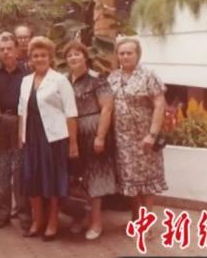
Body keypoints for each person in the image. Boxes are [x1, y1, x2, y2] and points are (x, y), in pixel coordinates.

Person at [18, 37, 78, 241]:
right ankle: (38, 220)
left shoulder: (60, 80)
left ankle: (53, 222)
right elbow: (21, 112)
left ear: (50, 57)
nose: (39, 59)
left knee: (53, 180)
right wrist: (20, 138)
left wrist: (73, 143)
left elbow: (71, 112)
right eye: (35, 55)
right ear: (30, 59)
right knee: (32, 179)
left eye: (43, 55)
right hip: (31, 137)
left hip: (54, 138)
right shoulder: (26, 81)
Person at [108, 37, 167, 222]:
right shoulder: (112, 77)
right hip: (122, 139)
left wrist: (152, 134)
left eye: (129, 53)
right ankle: (136, 217)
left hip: (144, 137)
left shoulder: (148, 76)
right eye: (121, 53)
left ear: (137, 55)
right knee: (130, 180)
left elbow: (160, 104)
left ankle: (146, 221)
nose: (125, 56)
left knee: (147, 181)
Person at [64, 41, 116, 240]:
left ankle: (96, 222)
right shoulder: (63, 80)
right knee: (75, 177)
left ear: (85, 57)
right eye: (70, 55)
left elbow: (107, 108)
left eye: (77, 54)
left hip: (92, 131)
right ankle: (78, 217)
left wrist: (100, 137)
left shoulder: (97, 79)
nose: (73, 58)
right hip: (71, 133)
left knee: (94, 177)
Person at [0, 32, 28, 229]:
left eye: (9, 49)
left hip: (20, 122)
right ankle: (2, 214)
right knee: (2, 169)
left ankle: (23, 213)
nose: (6, 52)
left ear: (17, 51)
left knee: (20, 170)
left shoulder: (27, 73)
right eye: (2, 49)